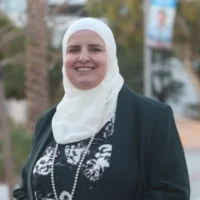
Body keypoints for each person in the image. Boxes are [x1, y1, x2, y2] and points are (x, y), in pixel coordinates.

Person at [13, 17, 190, 200]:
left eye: (95, 49)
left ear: (111, 56)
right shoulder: (48, 121)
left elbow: (173, 193)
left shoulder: (152, 116)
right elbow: (24, 191)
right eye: (73, 50)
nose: (83, 57)